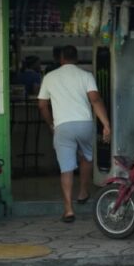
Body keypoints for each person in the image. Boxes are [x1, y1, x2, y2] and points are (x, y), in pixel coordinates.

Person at [37, 45, 111, 222]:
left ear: (59, 58)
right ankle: (83, 191)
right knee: (86, 157)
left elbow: (42, 105)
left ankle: (69, 209)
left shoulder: (49, 77)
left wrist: (51, 123)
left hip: (63, 126)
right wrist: (106, 125)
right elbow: (95, 100)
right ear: (76, 58)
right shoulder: (86, 76)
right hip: (84, 124)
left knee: (66, 168)